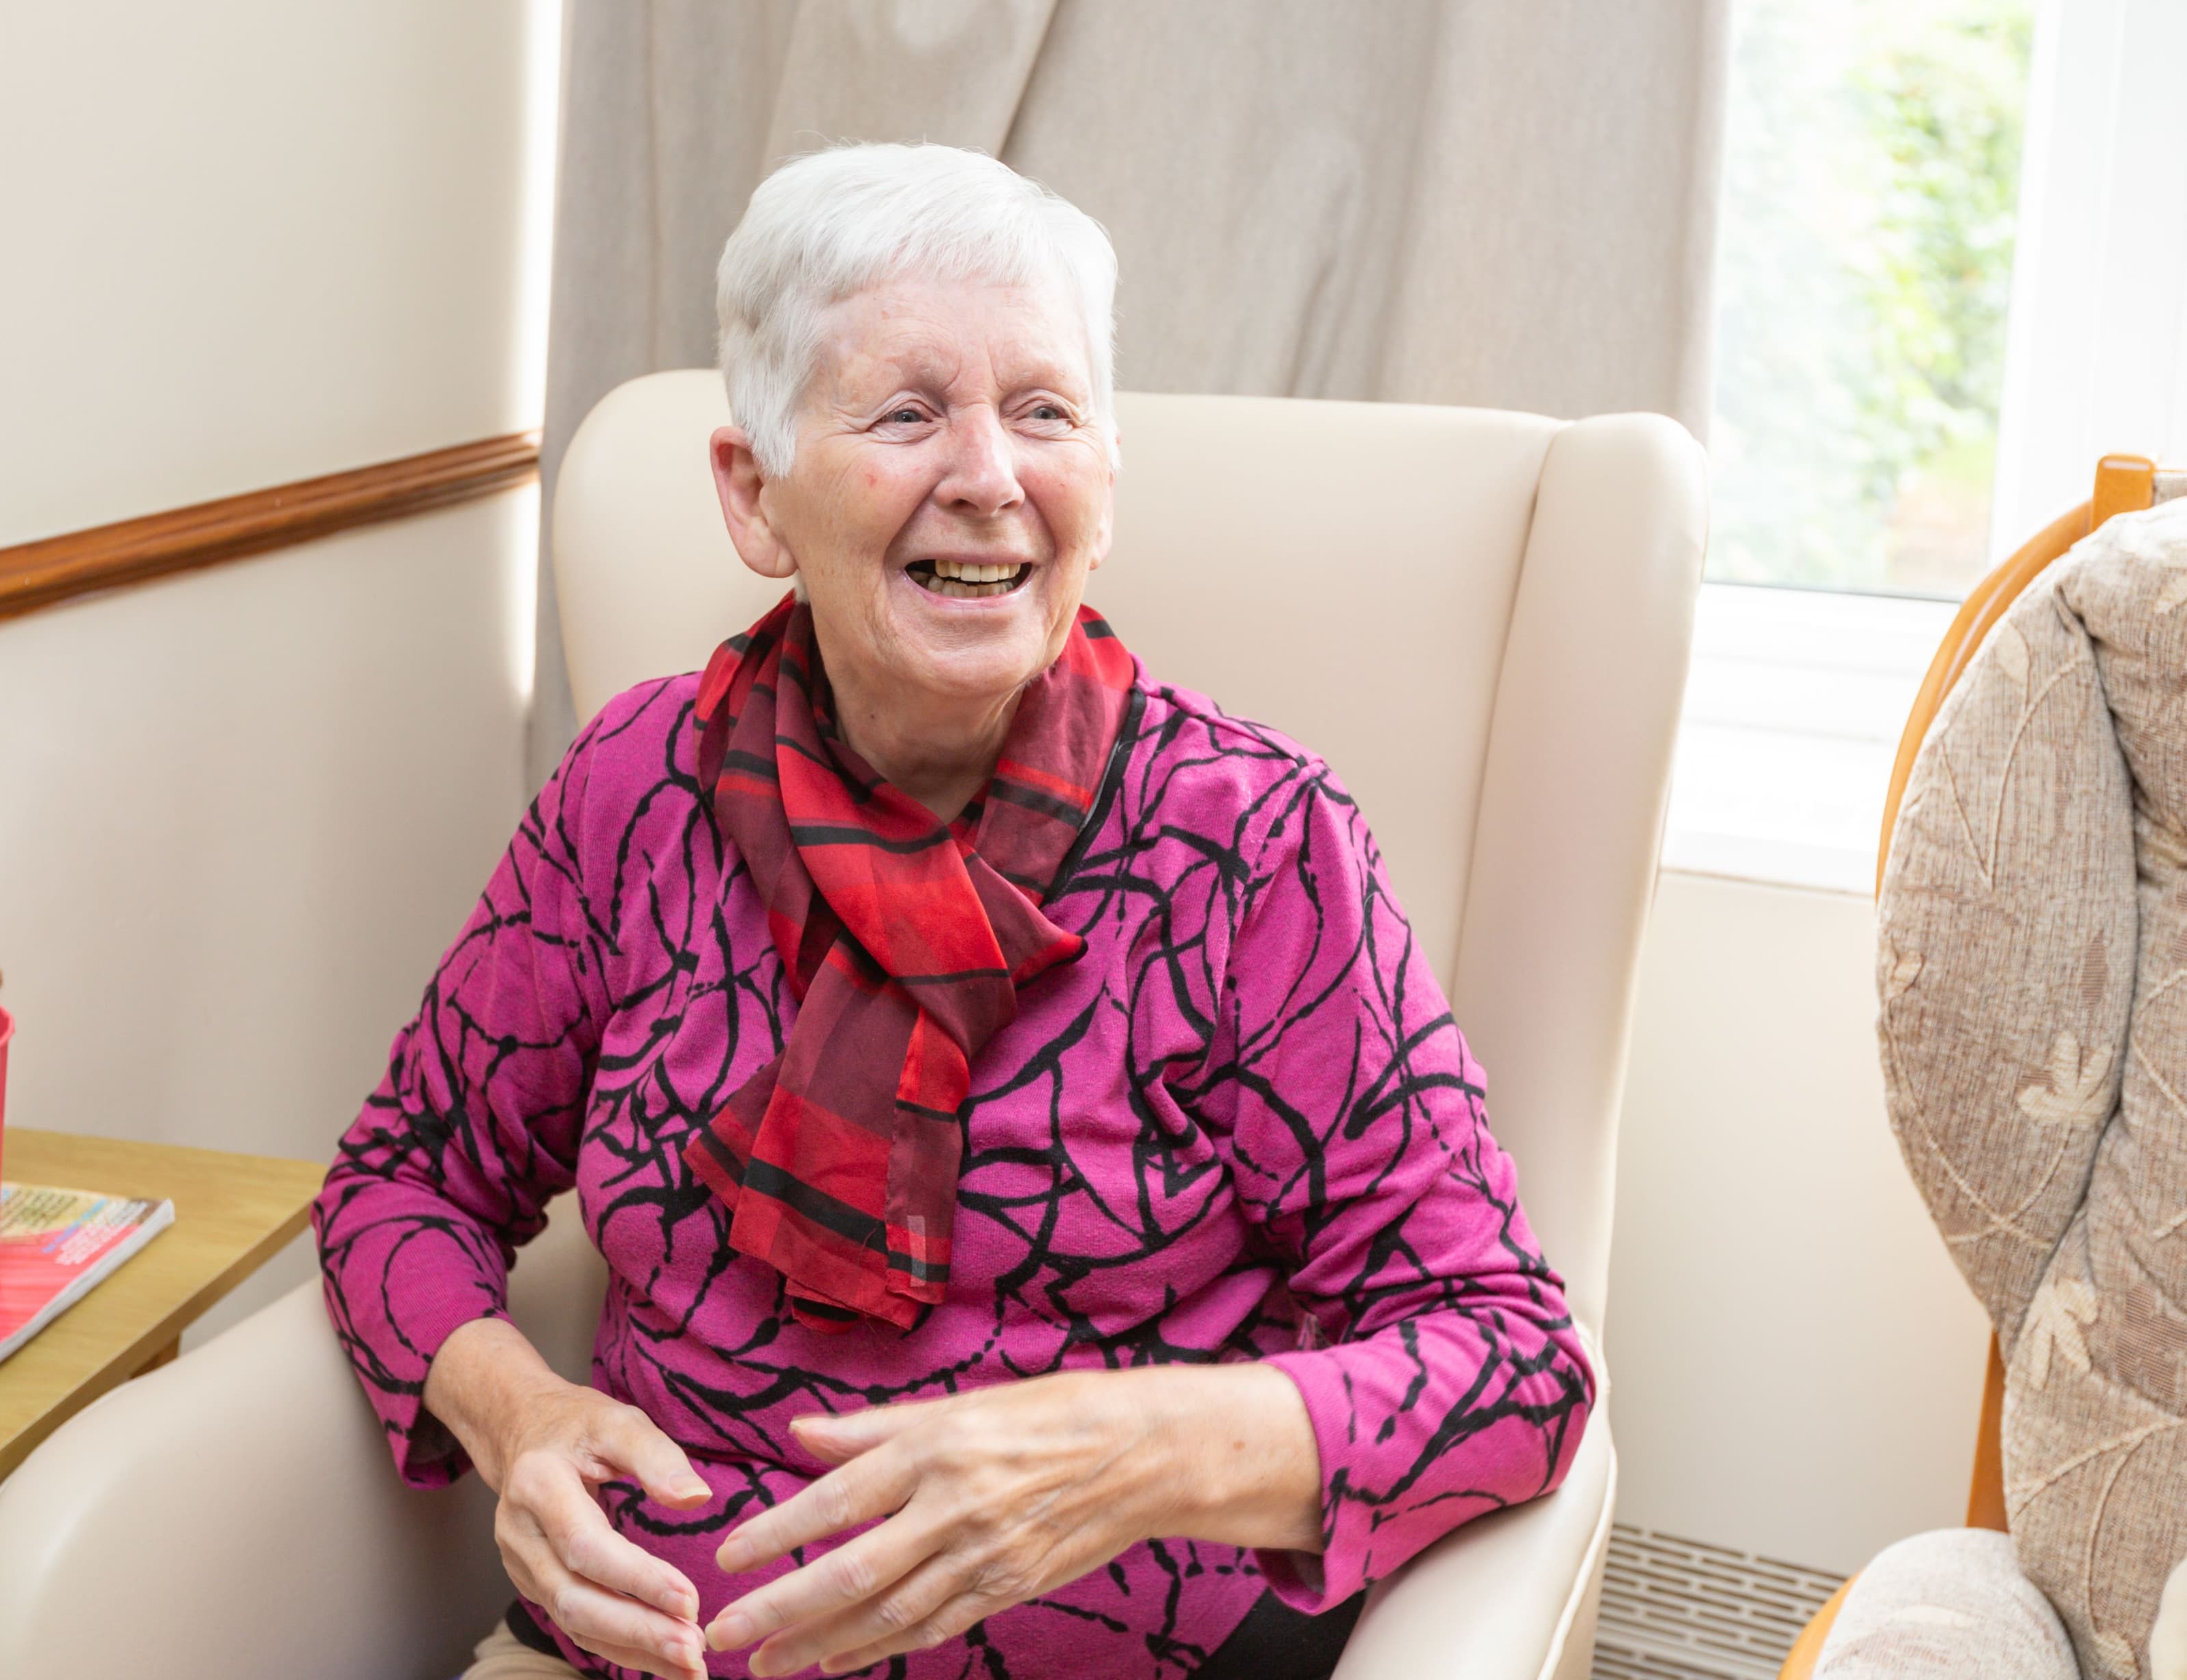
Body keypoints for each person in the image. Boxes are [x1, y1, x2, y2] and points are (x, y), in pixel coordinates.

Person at [314, 142, 1592, 1680]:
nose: (990, 475)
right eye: (909, 411)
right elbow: (401, 1178)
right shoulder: (632, 791)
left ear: (1102, 490)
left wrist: (1129, 1452)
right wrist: (521, 1416)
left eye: (1044, 412)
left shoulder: (1253, 846)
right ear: (754, 495)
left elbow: (1512, 1359)